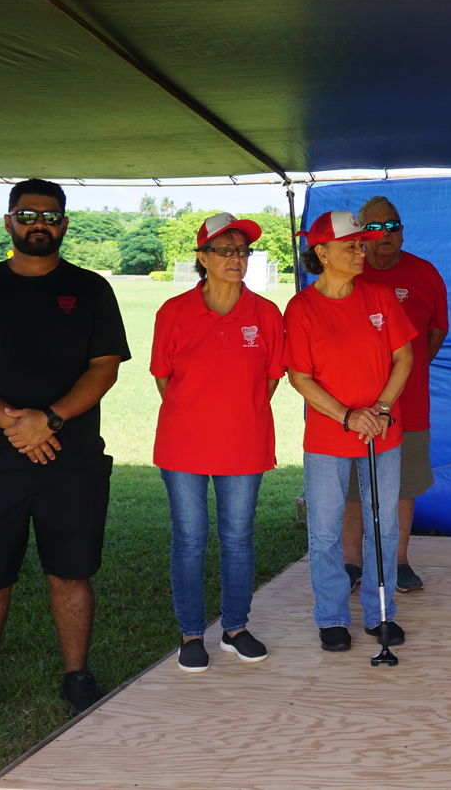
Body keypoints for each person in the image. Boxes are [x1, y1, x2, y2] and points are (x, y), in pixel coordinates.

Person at [0, 179, 129, 740]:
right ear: (8, 221)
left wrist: (52, 419)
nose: (39, 222)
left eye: (51, 215)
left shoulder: (91, 290)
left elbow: (104, 367)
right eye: (27, 214)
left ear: (65, 223)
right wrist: (15, 424)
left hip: (72, 460)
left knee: (72, 573)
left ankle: (77, 678)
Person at [150, 212, 285, 672]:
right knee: (189, 538)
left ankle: (235, 627)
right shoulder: (173, 311)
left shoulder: (266, 313)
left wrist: (236, 413)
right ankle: (191, 633)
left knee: (238, 537)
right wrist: (198, 414)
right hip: (182, 445)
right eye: (226, 250)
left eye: (242, 251)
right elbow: (163, 377)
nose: (237, 259)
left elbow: (270, 379)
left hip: (244, 444)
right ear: (202, 257)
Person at [284, 211, 415, 652]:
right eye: (351, 246)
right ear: (322, 252)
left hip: (381, 432)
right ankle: (332, 617)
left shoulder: (378, 297)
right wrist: (347, 416)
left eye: (361, 245)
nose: (362, 251)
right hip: (328, 438)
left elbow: (404, 358)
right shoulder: (301, 307)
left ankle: (381, 613)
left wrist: (377, 410)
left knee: (385, 528)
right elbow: (300, 378)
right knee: (324, 531)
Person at [340, 195, 448, 595]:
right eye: (376, 226)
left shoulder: (425, 273)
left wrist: (408, 370)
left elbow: (437, 330)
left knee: (403, 486)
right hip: (354, 403)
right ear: (361, 233)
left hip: (410, 404)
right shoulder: (347, 271)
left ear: (402, 231)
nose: (386, 234)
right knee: (353, 487)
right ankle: (352, 563)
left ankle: (399, 561)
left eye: (394, 226)